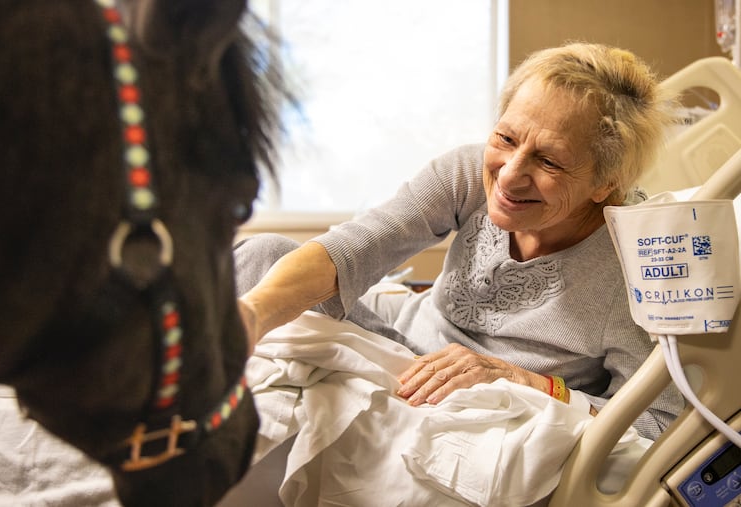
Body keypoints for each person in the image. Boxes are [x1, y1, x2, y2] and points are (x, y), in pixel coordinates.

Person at [235, 42, 684, 441]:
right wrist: (252, 317)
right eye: (505, 137)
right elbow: (355, 247)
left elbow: (657, 423)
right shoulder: (466, 175)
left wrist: (519, 380)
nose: (508, 174)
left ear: (606, 183)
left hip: (496, 412)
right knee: (263, 254)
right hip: (402, 350)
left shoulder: (639, 266)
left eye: (548, 161)